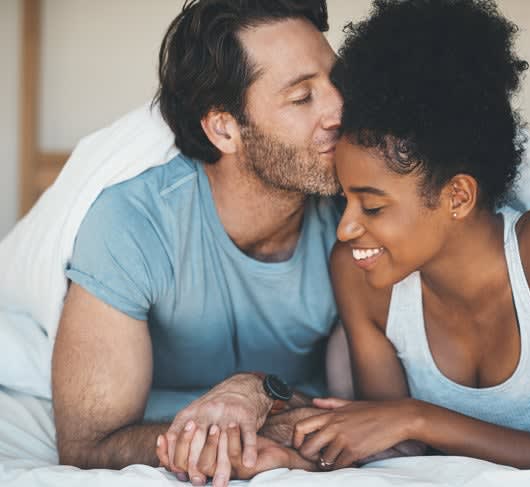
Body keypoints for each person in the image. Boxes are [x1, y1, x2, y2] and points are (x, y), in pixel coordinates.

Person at [290, 0, 530, 470]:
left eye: (372, 205)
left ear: (458, 197)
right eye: (343, 200)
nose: (346, 227)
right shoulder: (357, 274)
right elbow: (395, 454)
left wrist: (417, 417)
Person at [52, 1, 344, 485]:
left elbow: (377, 412)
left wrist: (257, 391)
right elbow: (86, 445)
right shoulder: (134, 223)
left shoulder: (357, 220)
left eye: (337, 82)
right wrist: (226, 432)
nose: (339, 110)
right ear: (224, 128)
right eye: (301, 97)